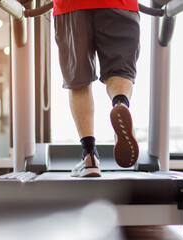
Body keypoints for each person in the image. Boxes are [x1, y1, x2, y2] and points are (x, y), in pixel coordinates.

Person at [53, 0, 140, 177]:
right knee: (120, 71)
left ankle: (90, 157)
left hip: (71, 5)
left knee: (79, 80)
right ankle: (120, 104)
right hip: (120, 4)